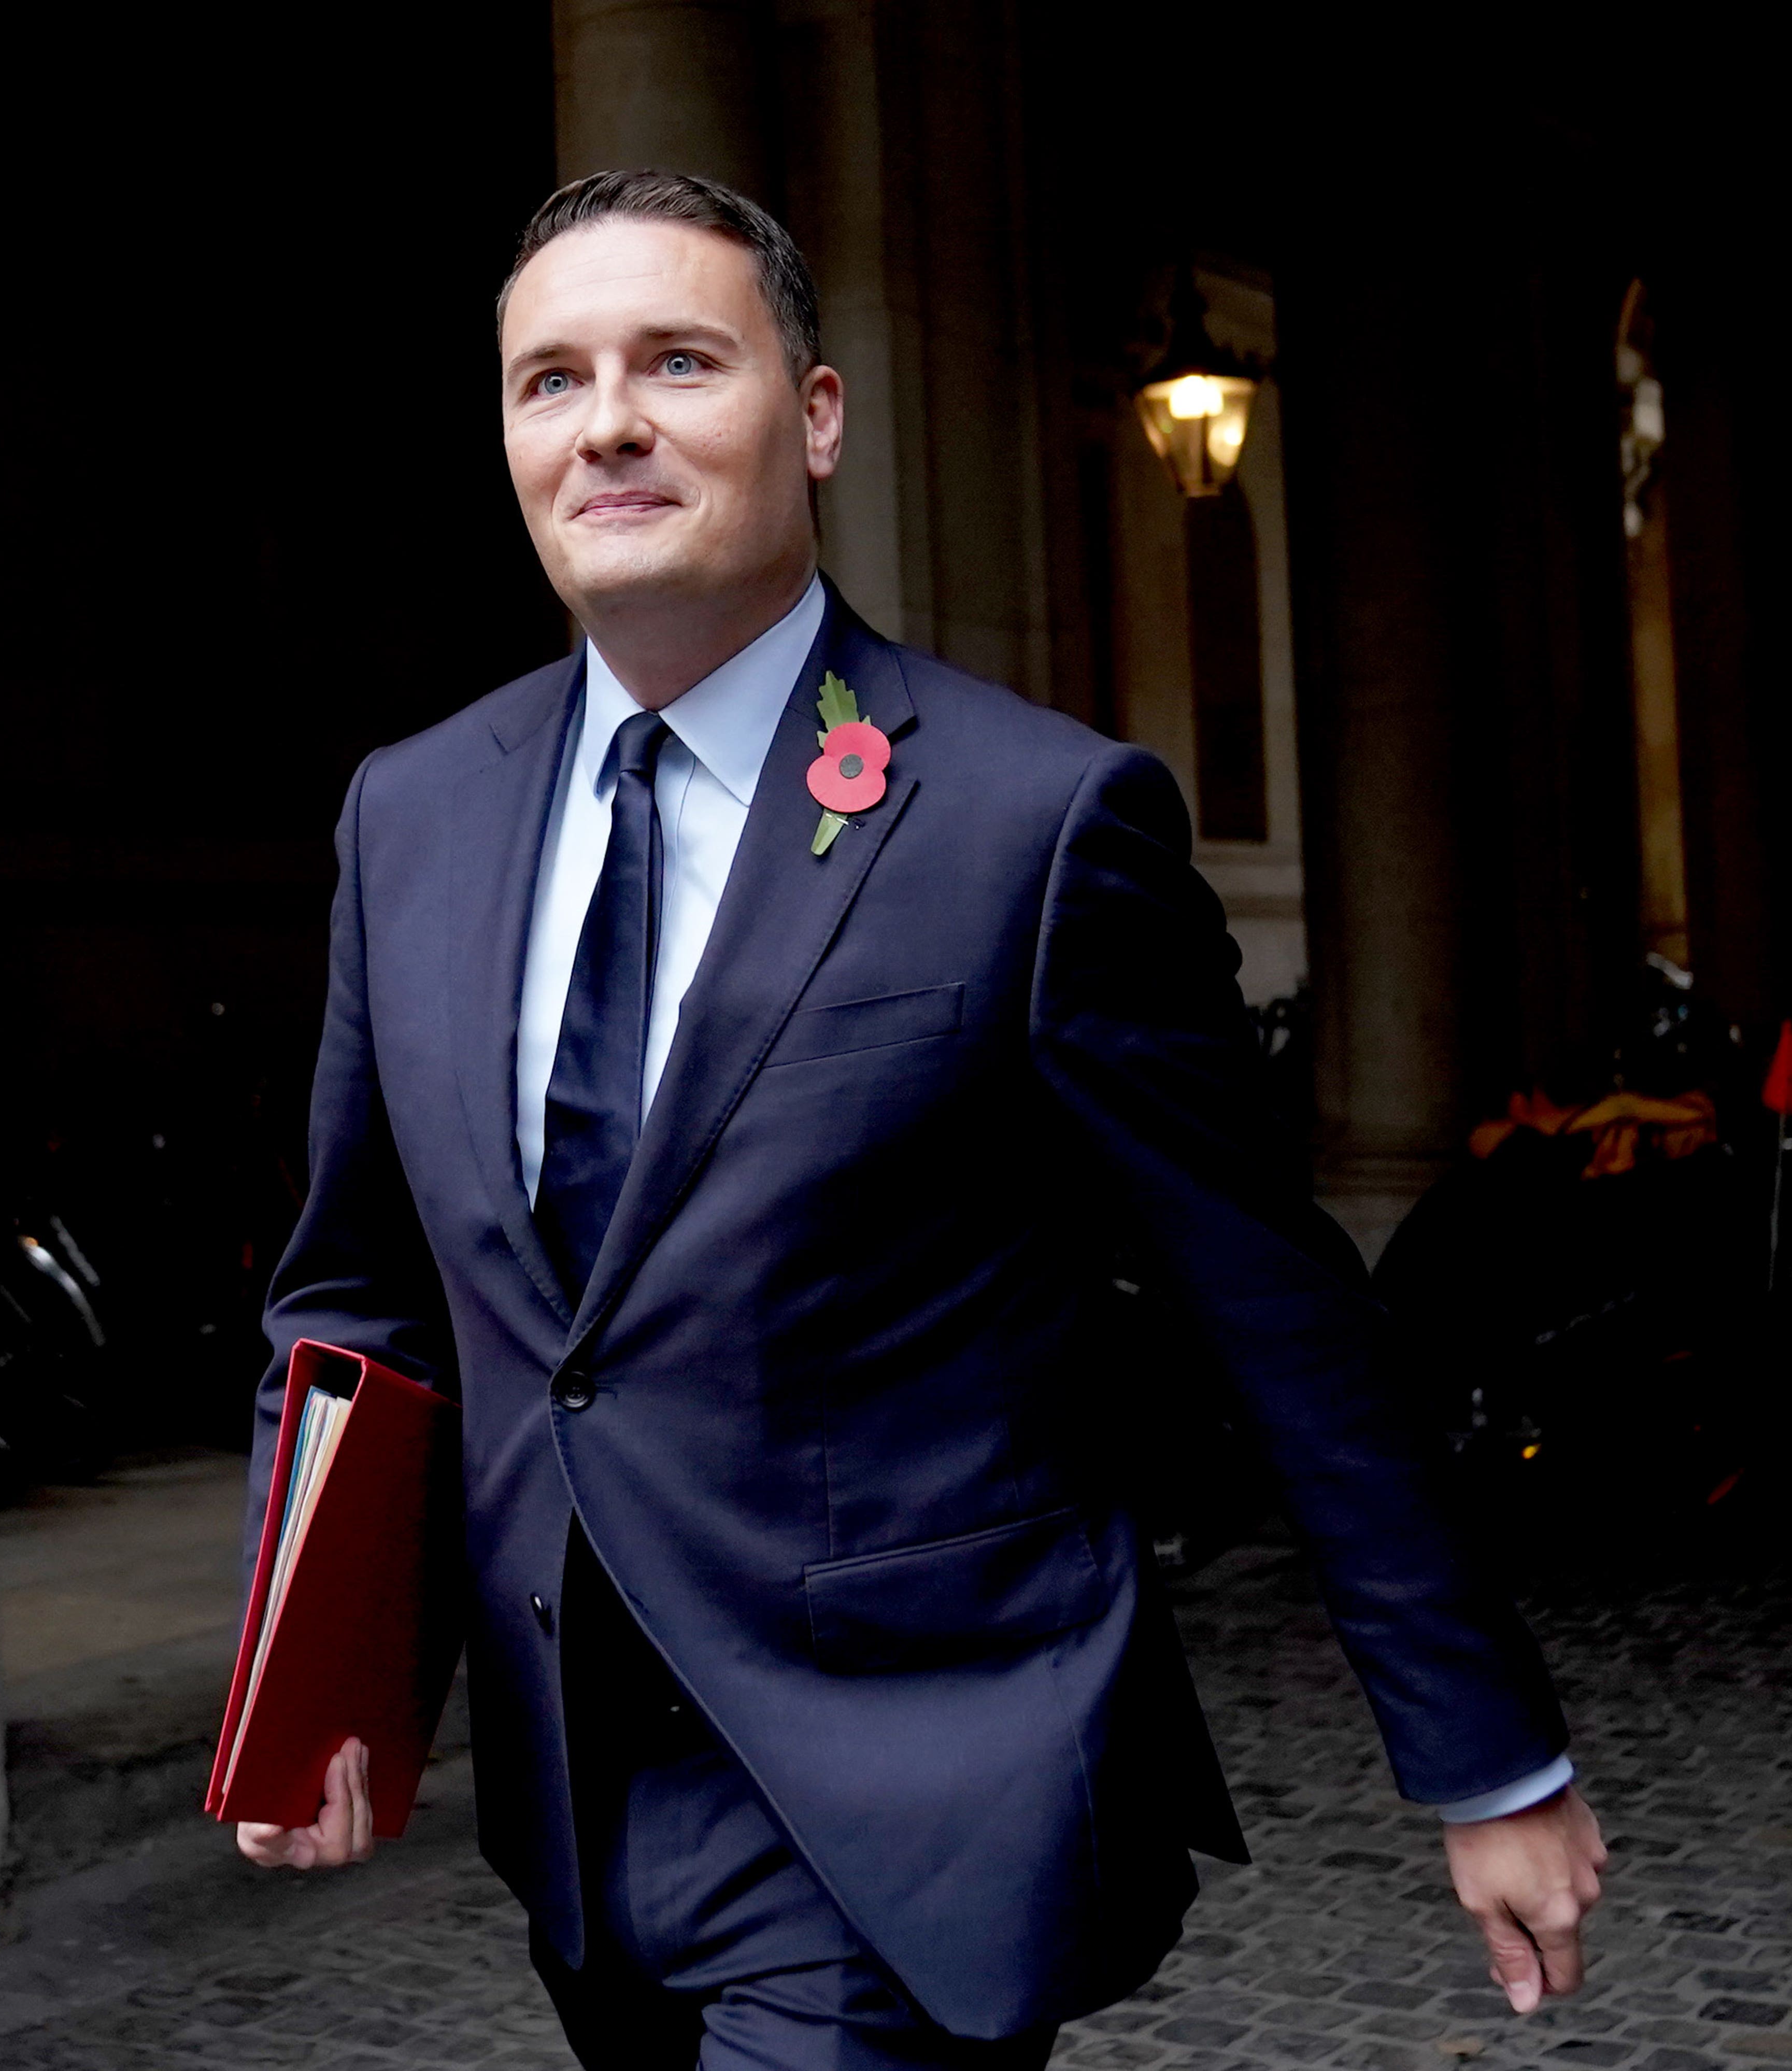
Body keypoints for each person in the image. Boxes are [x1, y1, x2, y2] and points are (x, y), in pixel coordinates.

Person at [236, 169, 1606, 2070]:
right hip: (579, 1807)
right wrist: (317, 1683)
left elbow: (1275, 1309)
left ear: (813, 414)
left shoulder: (1030, 823)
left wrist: (1486, 1753)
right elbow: (358, 1292)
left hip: (912, 1784)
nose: (608, 418)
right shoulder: (412, 813)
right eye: (550, 380)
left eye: (677, 361)